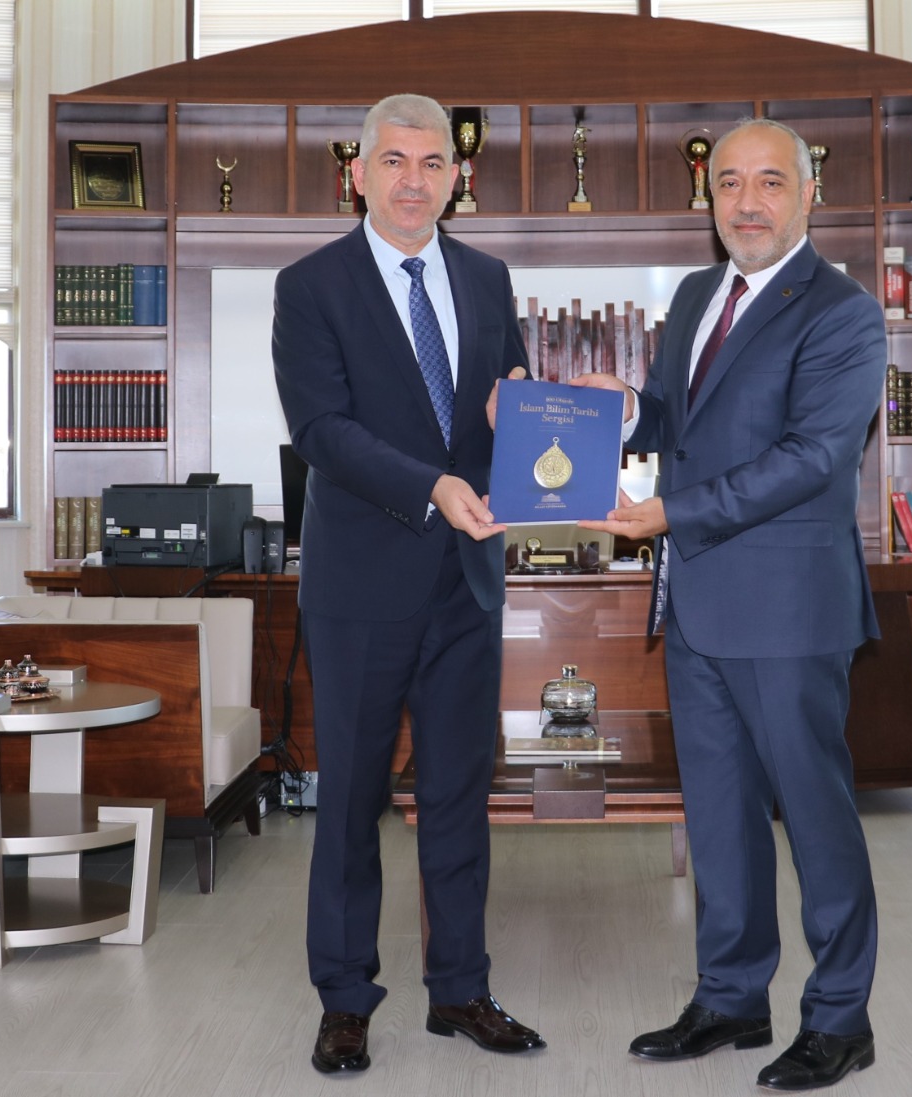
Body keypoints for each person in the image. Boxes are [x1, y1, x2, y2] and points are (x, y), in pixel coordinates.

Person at [573, 117, 885, 1091]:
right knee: (717, 815)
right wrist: (625, 408)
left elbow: (811, 457)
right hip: (697, 604)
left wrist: (671, 511)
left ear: (808, 194)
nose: (747, 202)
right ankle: (731, 996)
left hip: (789, 609)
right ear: (708, 197)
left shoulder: (842, 312)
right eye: (729, 184)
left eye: (770, 182)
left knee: (815, 816)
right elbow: (680, 419)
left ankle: (840, 1017)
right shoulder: (697, 294)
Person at [272, 92, 544, 1075]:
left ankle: (460, 988)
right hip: (359, 589)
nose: (413, 181)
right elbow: (323, 430)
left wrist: (533, 423)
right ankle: (345, 999)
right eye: (393, 161)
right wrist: (430, 485)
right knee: (350, 802)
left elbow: (506, 402)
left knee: (460, 796)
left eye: (432, 163)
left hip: (466, 581)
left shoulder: (487, 277)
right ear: (358, 171)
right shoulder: (312, 286)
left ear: (456, 177)